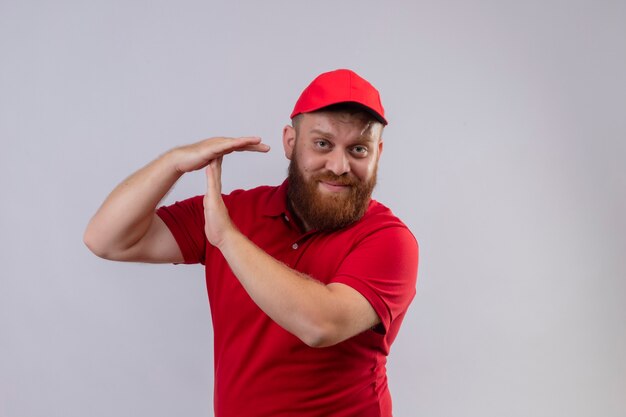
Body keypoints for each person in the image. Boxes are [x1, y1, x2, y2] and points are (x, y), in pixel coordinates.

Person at [84, 69, 418, 417]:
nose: (339, 165)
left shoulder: (389, 240)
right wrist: (176, 162)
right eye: (322, 144)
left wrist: (227, 239)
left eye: (358, 150)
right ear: (290, 142)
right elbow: (106, 238)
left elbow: (322, 324)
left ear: (378, 153)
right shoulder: (234, 211)